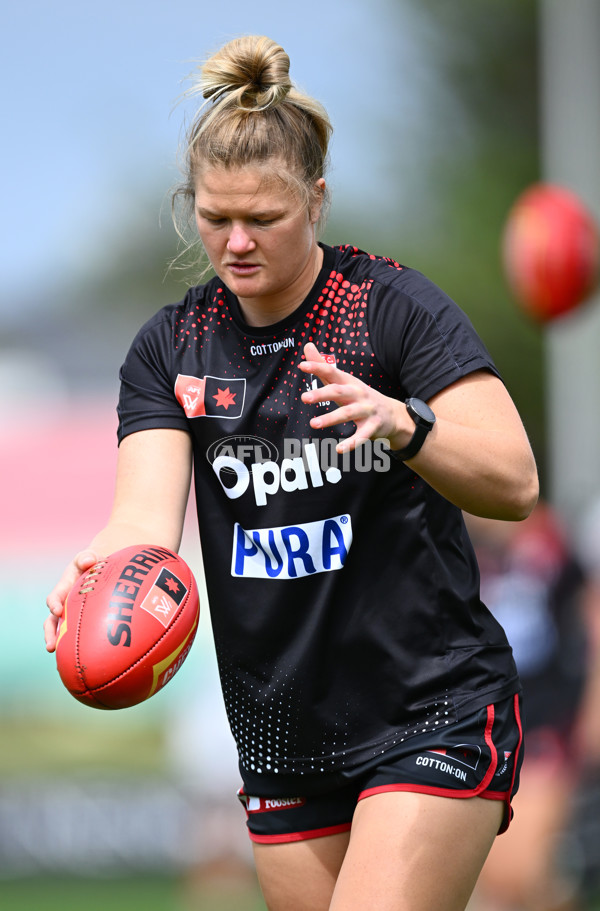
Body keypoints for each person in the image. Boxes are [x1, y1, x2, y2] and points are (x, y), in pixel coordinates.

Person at [44, 35, 539, 911]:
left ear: (317, 199)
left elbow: (514, 479)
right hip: (284, 730)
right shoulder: (172, 347)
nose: (235, 242)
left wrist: (407, 424)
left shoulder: (391, 311)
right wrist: (98, 583)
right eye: (213, 215)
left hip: (431, 708)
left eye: (263, 218)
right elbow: (143, 527)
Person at [465, 503, 589, 911]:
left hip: (544, 720)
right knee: (499, 883)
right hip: (480, 724)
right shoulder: (454, 548)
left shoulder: (551, 544)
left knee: (519, 874)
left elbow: (592, 615)